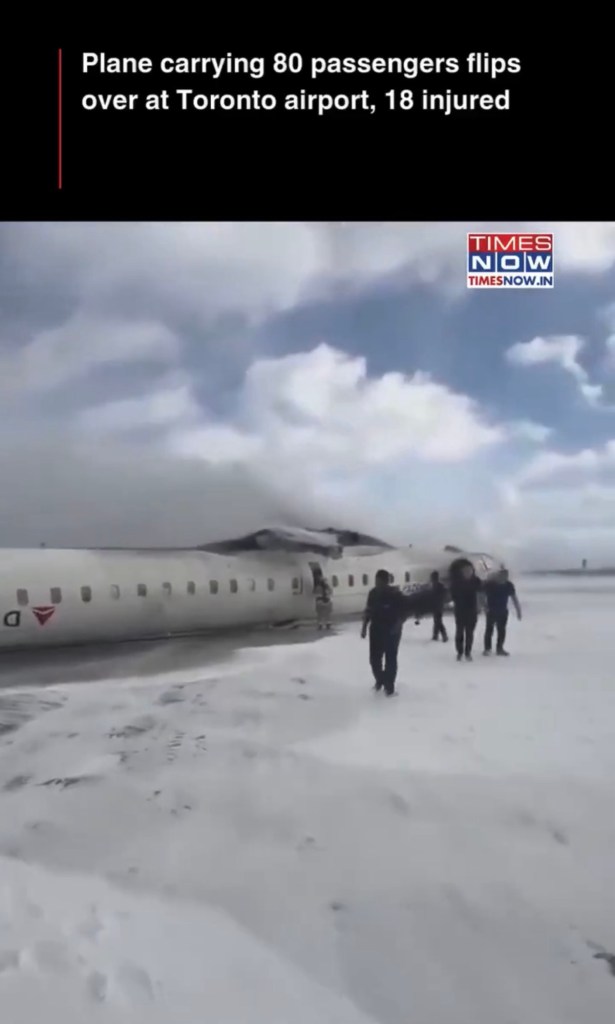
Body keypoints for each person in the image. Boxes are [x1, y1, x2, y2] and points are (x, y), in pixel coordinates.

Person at [361, 568, 407, 696]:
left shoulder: (395, 594)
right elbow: (368, 610)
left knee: (390, 659)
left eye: (380, 581)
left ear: (386, 581)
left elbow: (404, 612)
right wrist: (364, 627)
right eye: (376, 581)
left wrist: (398, 625)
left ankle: (389, 687)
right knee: (374, 659)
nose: (377, 583)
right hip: (376, 629)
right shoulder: (373, 593)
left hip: (392, 630)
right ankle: (380, 680)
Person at [482, 568, 522, 656]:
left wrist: (518, 610)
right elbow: (482, 595)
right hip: (491, 610)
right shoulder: (490, 584)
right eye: (502, 575)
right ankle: (487, 648)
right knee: (489, 630)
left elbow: (514, 598)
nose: (504, 577)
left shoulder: (508, 585)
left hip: (502, 611)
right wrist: (484, 606)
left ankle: (499, 648)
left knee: (501, 631)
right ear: (498, 575)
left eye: (506, 576)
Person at [450, 563, 482, 662]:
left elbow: (480, 593)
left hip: (472, 610)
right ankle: (459, 652)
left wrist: (480, 605)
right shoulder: (456, 582)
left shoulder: (476, 581)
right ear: (462, 572)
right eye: (466, 571)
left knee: (470, 633)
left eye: (470, 571)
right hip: (460, 610)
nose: (468, 573)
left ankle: (468, 652)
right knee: (459, 632)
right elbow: (452, 595)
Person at [429, 570, 448, 642]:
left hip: (438, 606)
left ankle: (443, 635)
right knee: (437, 621)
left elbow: (442, 595)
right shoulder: (436, 585)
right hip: (437, 605)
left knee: (438, 621)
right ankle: (436, 635)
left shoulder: (438, 586)